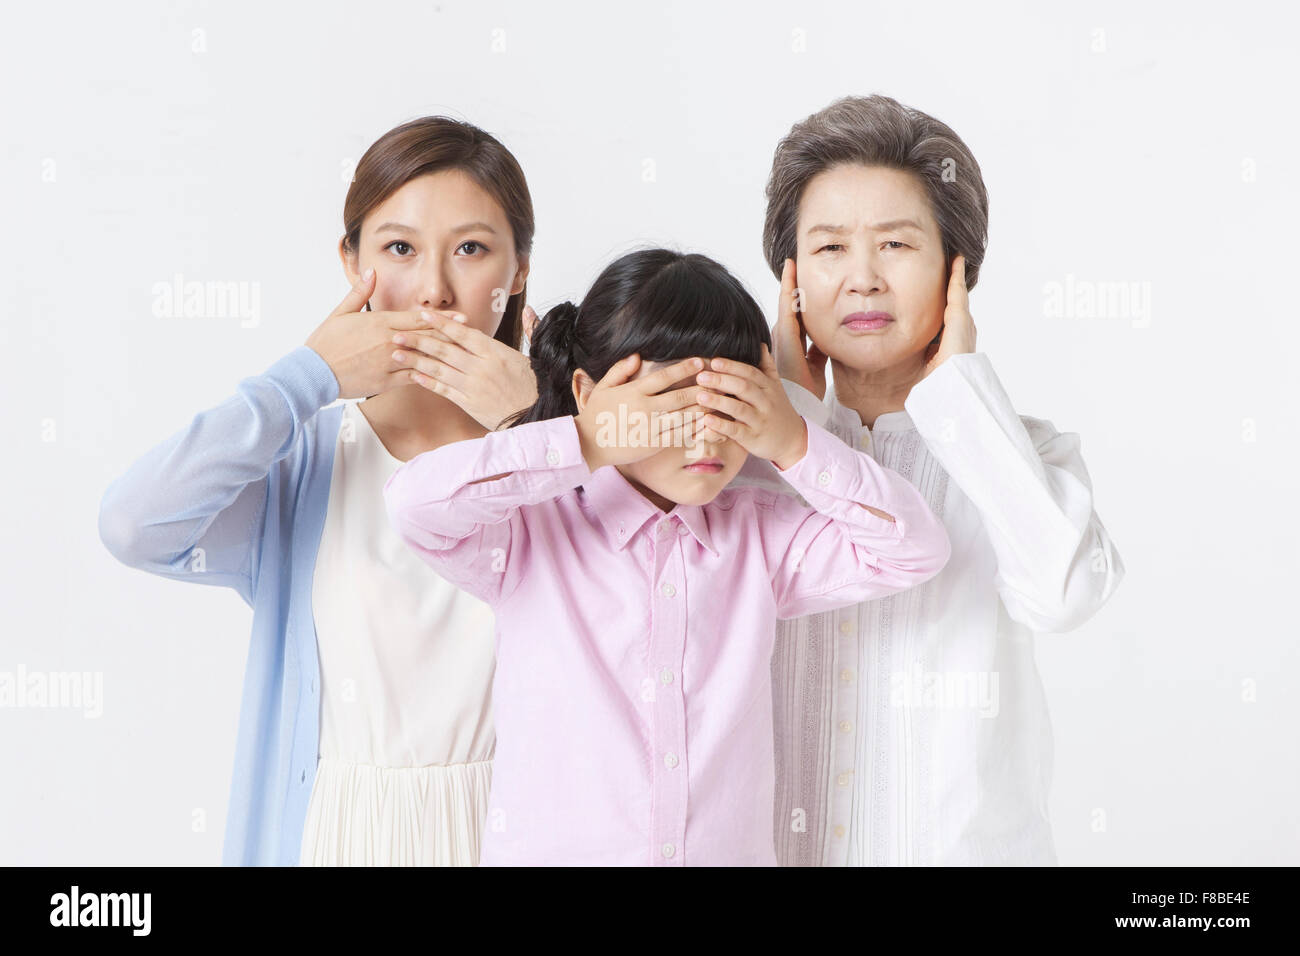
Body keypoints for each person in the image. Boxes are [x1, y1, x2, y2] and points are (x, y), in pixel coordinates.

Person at [383, 248, 952, 865]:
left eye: (732, 407)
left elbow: (912, 550)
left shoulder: (759, 539)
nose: (707, 435)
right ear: (589, 393)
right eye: (673, 407)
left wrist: (794, 441)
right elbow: (415, 505)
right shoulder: (527, 532)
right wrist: (587, 440)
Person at [98, 116, 539, 865]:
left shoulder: (557, 456)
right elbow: (134, 525)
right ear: (351, 261)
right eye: (399, 248)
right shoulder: (303, 462)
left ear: (518, 269)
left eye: (470, 249)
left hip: (513, 837)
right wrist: (306, 377)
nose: (433, 292)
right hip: (333, 837)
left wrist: (537, 427)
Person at [736, 94, 1125, 865]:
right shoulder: (743, 460)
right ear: (791, 281)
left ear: (957, 269)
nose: (863, 280)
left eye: (896, 245)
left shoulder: (1023, 454)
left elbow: (1069, 593)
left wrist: (963, 402)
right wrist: (792, 418)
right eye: (829, 249)